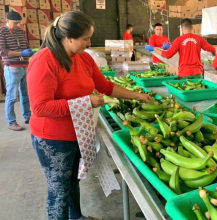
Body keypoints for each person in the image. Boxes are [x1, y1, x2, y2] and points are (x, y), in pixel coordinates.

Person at [27, 11, 151, 220]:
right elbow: (40, 107)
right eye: (85, 38)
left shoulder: (83, 58)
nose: (89, 42)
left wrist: (137, 96)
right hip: (52, 139)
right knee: (59, 190)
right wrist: (85, 102)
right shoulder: (45, 60)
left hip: (77, 132)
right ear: (69, 38)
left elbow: (105, 86)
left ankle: (76, 217)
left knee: (72, 182)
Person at [0, 11, 35, 131]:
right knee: (11, 96)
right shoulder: (2, 32)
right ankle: (11, 122)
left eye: (18, 23)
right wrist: (21, 53)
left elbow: (25, 46)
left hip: (25, 66)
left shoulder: (21, 31)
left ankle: (28, 116)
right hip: (12, 67)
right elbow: (2, 51)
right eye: (15, 23)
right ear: (7, 21)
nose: (17, 25)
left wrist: (30, 51)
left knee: (25, 94)